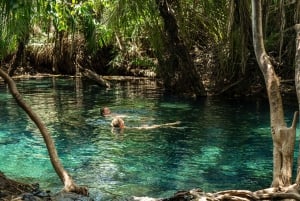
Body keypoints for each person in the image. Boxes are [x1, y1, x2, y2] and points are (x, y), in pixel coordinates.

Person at [110, 117, 181, 130]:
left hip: (142, 128)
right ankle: (173, 124)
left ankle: (172, 125)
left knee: (159, 126)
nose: (123, 121)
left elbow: (112, 124)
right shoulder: (123, 128)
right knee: (159, 125)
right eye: (122, 121)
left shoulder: (117, 127)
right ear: (121, 125)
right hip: (143, 128)